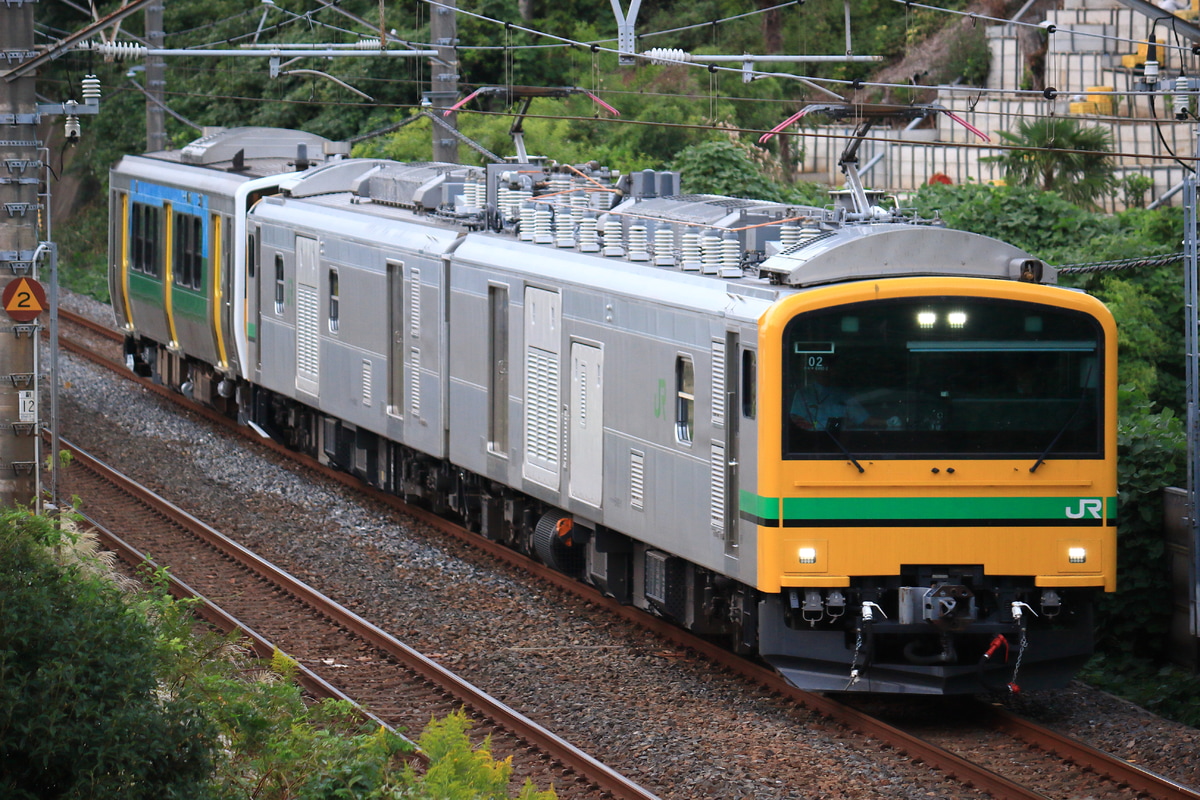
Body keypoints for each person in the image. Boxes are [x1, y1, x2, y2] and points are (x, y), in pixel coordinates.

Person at [790, 358, 890, 432]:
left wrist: (888, 422)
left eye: (830, 369)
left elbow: (863, 419)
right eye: (823, 368)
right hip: (808, 444)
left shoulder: (842, 395)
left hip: (839, 444)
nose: (826, 372)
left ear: (834, 372)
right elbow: (796, 420)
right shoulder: (803, 394)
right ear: (814, 371)